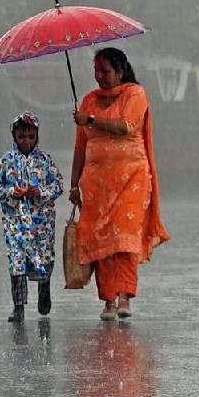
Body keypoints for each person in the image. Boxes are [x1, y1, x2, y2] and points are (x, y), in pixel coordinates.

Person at [69, 47, 170, 321]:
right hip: (96, 185)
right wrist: (74, 184)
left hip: (131, 180)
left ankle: (125, 296)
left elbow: (126, 126)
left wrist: (90, 119)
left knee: (124, 239)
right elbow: (80, 147)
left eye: (106, 71)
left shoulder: (136, 94)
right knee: (101, 240)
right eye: (96, 71)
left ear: (121, 70)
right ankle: (109, 301)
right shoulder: (88, 100)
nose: (100, 76)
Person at [0, 111, 63, 323]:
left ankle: (44, 290)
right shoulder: (6, 161)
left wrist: (39, 192)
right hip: (16, 224)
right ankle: (18, 306)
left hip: (42, 224)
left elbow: (58, 185)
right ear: (14, 136)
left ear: (37, 136)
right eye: (22, 137)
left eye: (31, 137)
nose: (26, 142)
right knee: (17, 262)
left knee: (44, 259)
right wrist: (11, 193)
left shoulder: (45, 160)